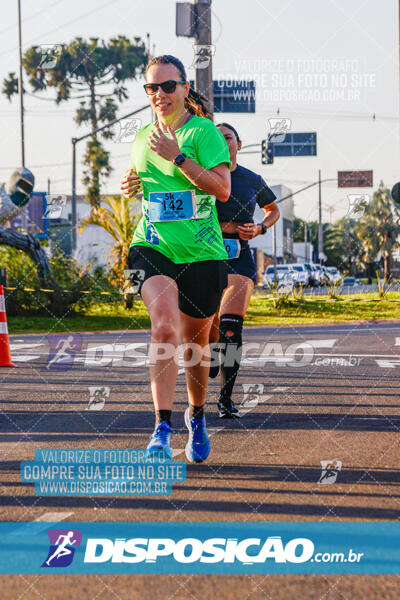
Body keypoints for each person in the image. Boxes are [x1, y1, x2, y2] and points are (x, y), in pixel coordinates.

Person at [120, 55, 231, 462]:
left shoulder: (204, 133)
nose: (160, 95)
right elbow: (147, 188)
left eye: (168, 86)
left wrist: (178, 157)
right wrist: (131, 185)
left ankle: (197, 415)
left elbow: (221, 189)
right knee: (163, 325)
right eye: (152, 88)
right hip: (151, 245)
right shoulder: (141, 137)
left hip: (201, 251)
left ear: (185, 88)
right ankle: (160, 428)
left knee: (195, 347)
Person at [209, 122, 280, 418]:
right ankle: (213, 349)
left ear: (239, 143)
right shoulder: (200, 178)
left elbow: (273, 209)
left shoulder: (251, 179)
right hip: (205, 256)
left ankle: (225, 398)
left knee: (231, 328)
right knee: (209, 328)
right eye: (216, 138)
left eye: (227, 138)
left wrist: (261, 227)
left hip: (239, 256)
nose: (223, 142)